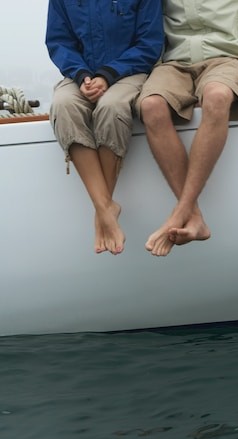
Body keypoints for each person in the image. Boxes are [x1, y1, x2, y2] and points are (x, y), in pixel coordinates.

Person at [138, 0, 238, 257]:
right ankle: (195, 218)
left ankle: (181, 212)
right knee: (151, 105)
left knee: (217, 96)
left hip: (231, 57)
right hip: (175, 63)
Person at [46, 0, 164, 255]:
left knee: (111, 107)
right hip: (81, 76)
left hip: (128, 73)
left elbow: (150, 42)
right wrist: (81, 75)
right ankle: (105, 207)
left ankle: (102, 216)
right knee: (64, 105)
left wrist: (108, 74)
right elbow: (59, 41)